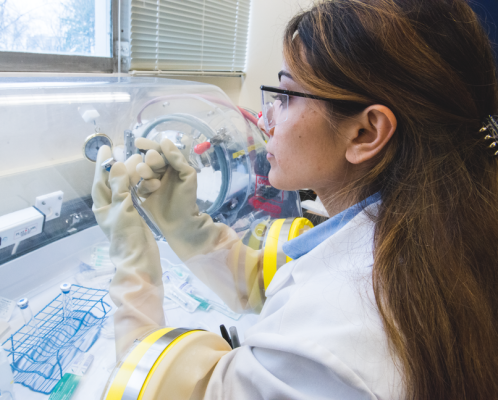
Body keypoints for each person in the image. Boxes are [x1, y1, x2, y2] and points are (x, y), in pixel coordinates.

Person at [92, 0, 498, 398]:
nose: (266, 117)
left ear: (366, 133)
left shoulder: (333, 342)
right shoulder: (429, 227)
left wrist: (132, 263)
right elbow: (270, 282)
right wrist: (186, 226)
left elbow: (172, 390)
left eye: (285, 96)